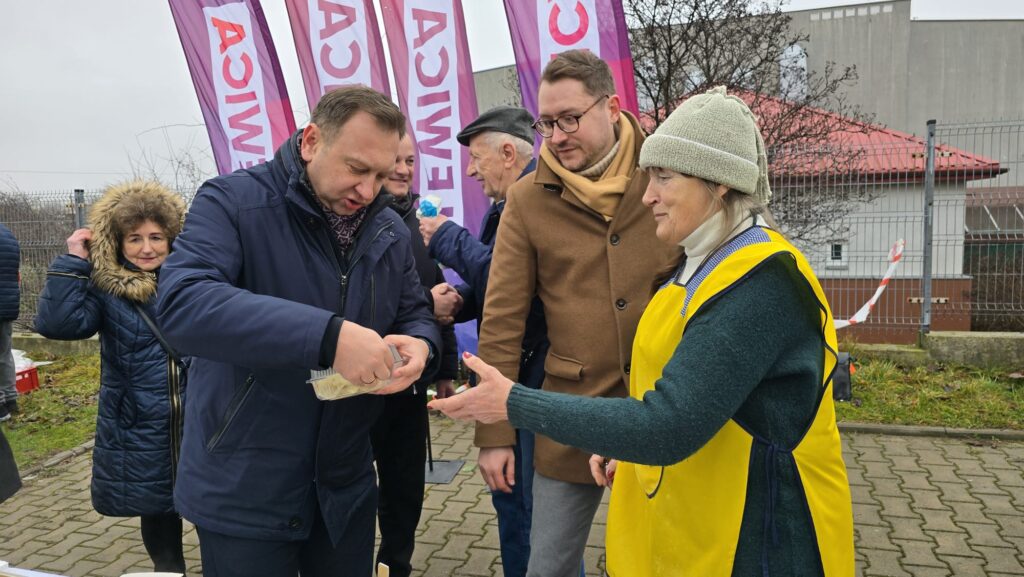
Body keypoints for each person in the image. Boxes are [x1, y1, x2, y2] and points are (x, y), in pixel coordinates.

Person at [430, 86, 856, 577]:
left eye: (664, 178)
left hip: (760, 540)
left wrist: (513, 403)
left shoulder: (762, 282)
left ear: (720, 183)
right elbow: (690, 392)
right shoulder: (699, 260)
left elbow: (667, 425)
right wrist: (625, 445)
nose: (648, 194)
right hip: (699, 521)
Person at [154, 86, 440, 577]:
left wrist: (421, 345)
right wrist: (328, 336)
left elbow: (414, 313)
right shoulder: (232, 201)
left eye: (381, 174)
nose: (368, 191)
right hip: (245, 485)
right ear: (311, 142)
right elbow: (184, 303)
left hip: (344, 486)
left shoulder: (390, 230)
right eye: (356, 168)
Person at [463, 50, 671, 577]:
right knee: (548, 565)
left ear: (612, 108)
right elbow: (503, 320)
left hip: (661, 406)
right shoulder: (527, 199)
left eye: (570, 119)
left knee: (665, 561)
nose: (555, 136)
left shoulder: (666, 174)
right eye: (547, 123)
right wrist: (494, 436)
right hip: (568, 414)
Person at [418, 105, 554, 577]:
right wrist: (460, 301)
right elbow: (500, 288)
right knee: (517, 507)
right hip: (520, 376)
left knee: (532, 516)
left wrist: (447, 237)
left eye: (476, 159)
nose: (471, 171)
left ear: (508, 153)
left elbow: (510, 280)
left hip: (535, 378)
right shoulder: (506, 206)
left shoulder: (538, 200)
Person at [34, 181, 188, 574]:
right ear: (117, 242)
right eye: (135, 238)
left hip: (200, 418)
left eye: (156, 237)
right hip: (139, 422)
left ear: (173, 239)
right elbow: (59, 325)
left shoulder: (196, 282)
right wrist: (74, 262)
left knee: (215, 512)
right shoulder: (107, 289)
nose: (147, 248)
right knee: (158, 512)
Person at [369, 133, 458, 577]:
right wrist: (428, 299)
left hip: (408, 381)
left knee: (404, 484)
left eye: (410, 160)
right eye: (395, 160)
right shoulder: (357, 219)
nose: (404, 170)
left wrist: (445, 370)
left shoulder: (422, 221)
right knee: (353, 483)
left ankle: (394, 564)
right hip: (359, 380)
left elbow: (438, 304)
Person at [0, 223, 20, 422]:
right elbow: (16, 273)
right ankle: (11, 399)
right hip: (6, 303)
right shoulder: (7, 234)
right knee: (4, 353)